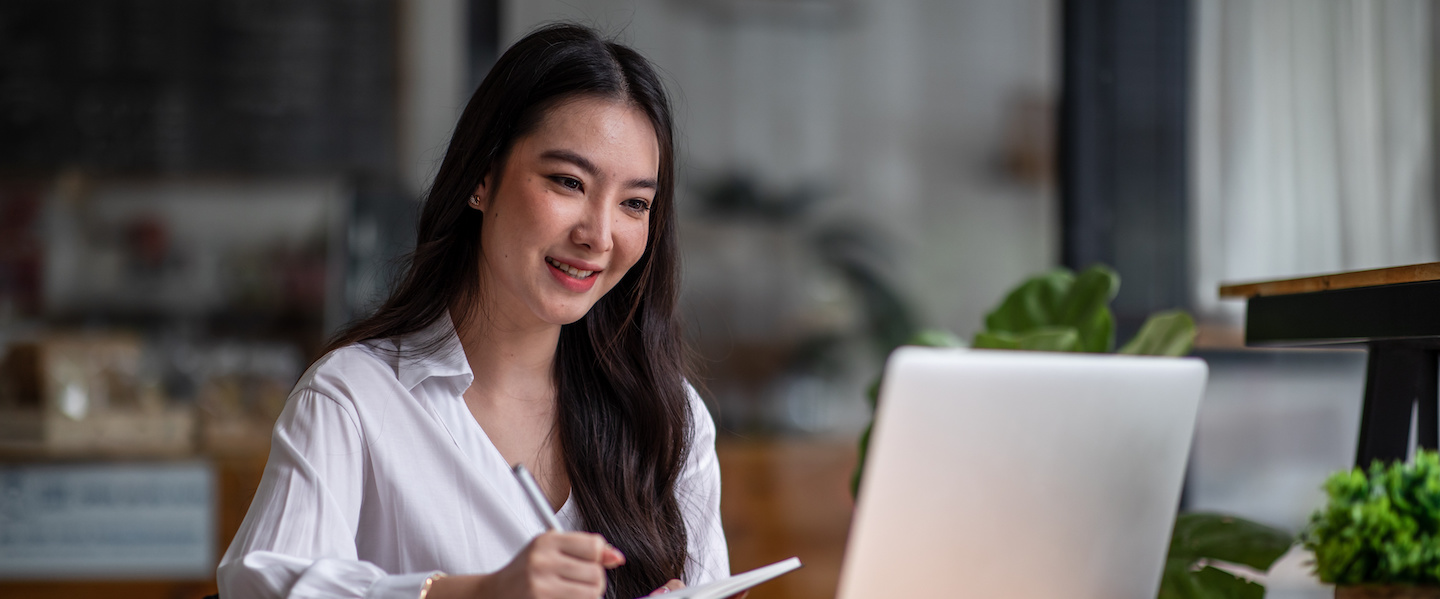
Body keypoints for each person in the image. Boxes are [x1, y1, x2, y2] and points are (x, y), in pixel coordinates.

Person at [217, 23, 729, 599]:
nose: (599, 234)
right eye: (568, 182)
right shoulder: (354, 398)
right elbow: (262, 584)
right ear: (482, 178)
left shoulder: (668, 415)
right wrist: (480, 593)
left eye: (635, 203)